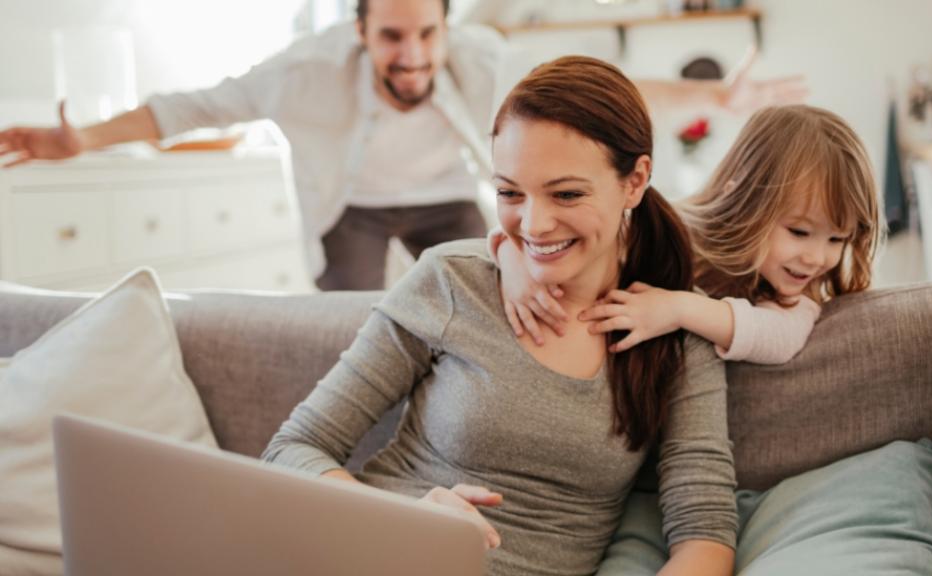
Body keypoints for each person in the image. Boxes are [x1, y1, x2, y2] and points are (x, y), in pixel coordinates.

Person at [261, 55, 738, 575]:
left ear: (635, 180)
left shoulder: (676, 328)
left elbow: (704, 534)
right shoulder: (453, 281)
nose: (533, 225)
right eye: (510, 192)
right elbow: (294, 448)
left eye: (567, 193)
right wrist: (399, 517)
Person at [0, 0, 807, 291]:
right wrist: (85, 140)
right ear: (360, 32)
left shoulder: (482, 57)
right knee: (352, 311)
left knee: (492, 286)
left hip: (442, 192)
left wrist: (714, 96)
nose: (413, 55)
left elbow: (605, 86)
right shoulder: (304, 71)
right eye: (392, 36)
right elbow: (189, 109)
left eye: (426, 32)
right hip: (348, 205)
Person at [490, 104, 881, 364]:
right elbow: (531, 233)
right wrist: (516, 265)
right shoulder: (671, 229)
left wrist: (676, 309)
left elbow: (781, 338)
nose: (816, 257)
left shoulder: (796, 294)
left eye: (837, 239)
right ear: (741, 200)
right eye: (799, 232)